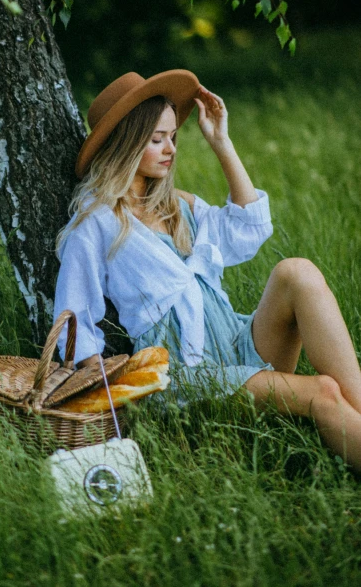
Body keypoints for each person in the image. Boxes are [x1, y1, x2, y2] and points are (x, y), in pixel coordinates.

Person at [53, 70, 361, 471]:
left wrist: (222, 143)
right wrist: (98, 387)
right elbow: (74, 315)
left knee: (296, 271)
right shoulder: (96, 223)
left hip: (235, 343)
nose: (171, 149)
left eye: (173, 138)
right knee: (322, 392)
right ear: (126, 143)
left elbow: (248, 230)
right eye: (157, 139)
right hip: (185, 375)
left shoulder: (176, 206)